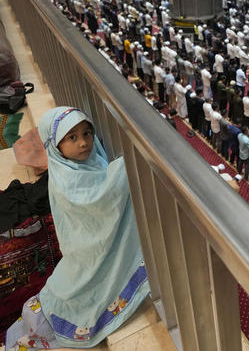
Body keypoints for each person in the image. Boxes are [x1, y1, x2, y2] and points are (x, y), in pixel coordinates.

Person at [6, 107, 149, 349]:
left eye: (87, 134)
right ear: (55, 145)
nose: (83, 143)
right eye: (72, 137)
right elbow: (101, 198)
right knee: (82, 283)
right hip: (85, 249)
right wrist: (125, 166)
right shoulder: (66, 178)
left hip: (91, 238)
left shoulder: (90, 160)